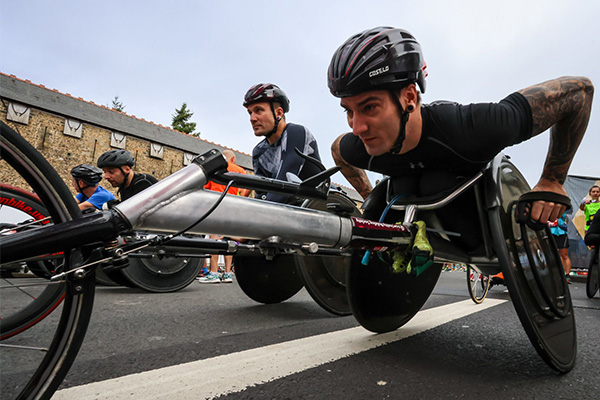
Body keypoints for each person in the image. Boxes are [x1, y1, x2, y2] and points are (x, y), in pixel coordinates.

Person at [328, 27, 593, 251]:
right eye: (348, 111)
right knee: (393, 192)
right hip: (413, 199)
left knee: (435, 183)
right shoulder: (360, 146)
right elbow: (338, 150)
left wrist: (552, 180)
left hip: (478, 221)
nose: (357, 127)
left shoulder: (475, 127)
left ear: (409, 97)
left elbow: (579, 91)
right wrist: (367, 194)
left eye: (369, 107)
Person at [244, 83, 322, 205]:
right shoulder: (258, 151)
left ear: (279, 113)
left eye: (258, 110)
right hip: (288, 212)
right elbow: (262, 194)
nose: (252, 118)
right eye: (250, 113)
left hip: (321, 207)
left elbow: (286, 180)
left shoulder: (296, 132)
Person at [199, 150, 250, 283]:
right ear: (233, 159)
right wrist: (241, 198)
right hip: (233, 207)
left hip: (217, 205)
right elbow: (246, 188)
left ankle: (214, 273)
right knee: (229, 240)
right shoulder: (239, 170)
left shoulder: (215, 169)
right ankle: (227, 273)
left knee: (214, 239)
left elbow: (205, 188)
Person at [549, 210, 573, 283]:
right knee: (551, 254)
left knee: (564, 255)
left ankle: (567, 276)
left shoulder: (562, 205)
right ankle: (556, 275)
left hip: (562, 232)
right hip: (550, 232)